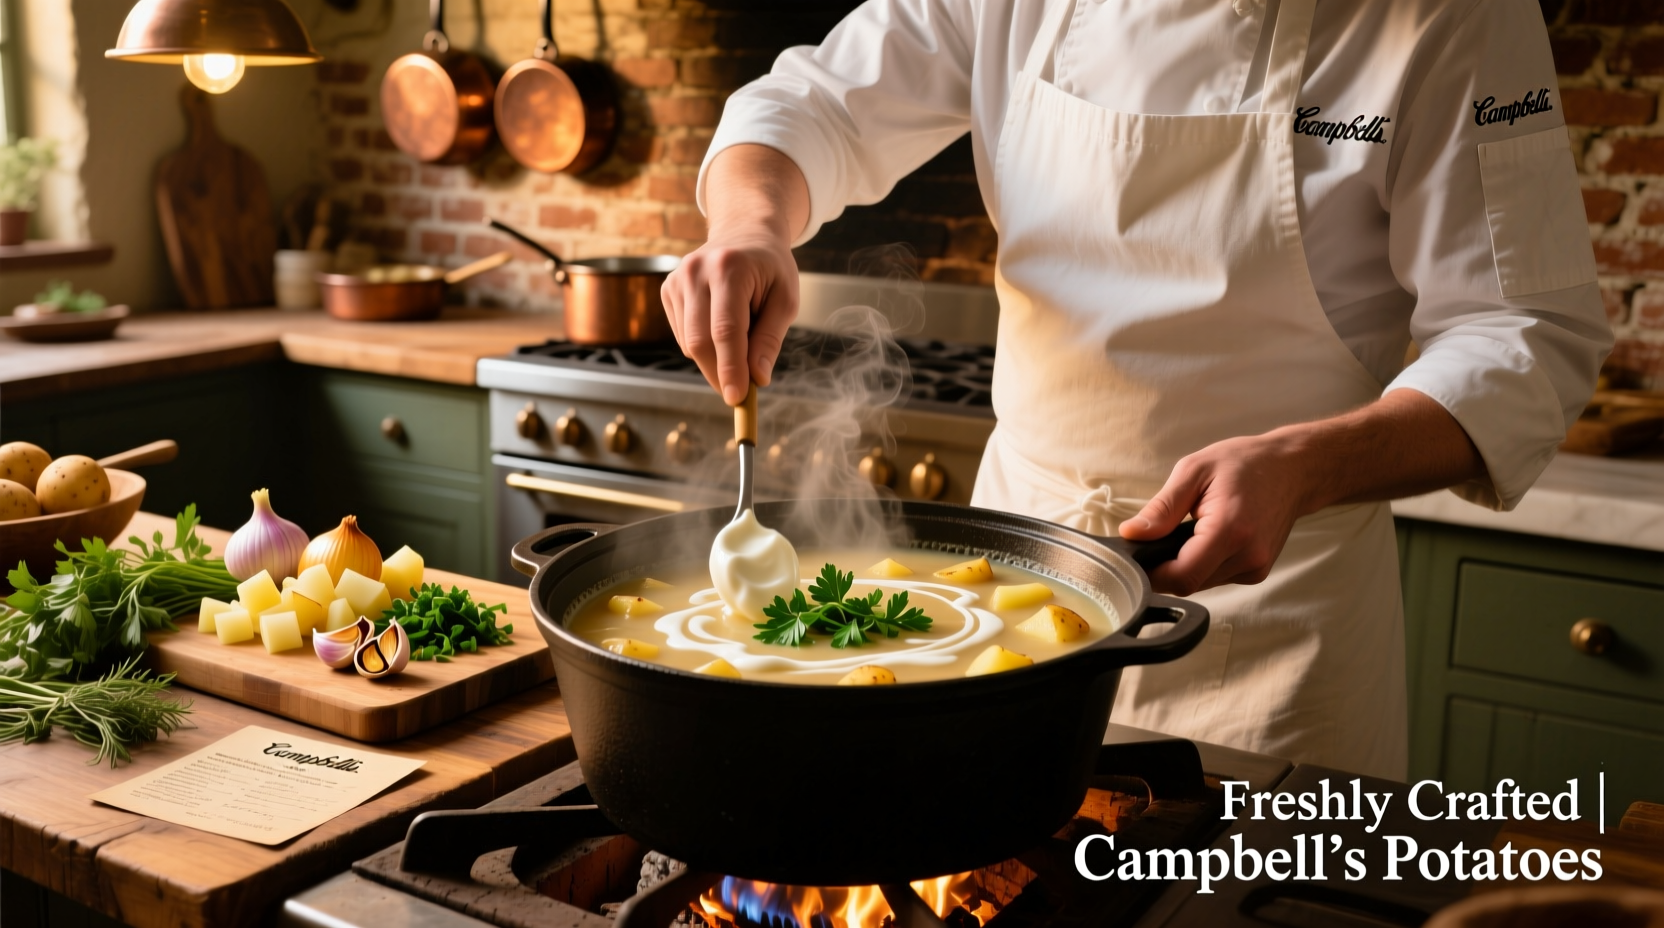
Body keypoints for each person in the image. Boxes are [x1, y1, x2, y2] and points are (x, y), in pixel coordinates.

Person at [659, 0, 1613, 778]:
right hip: (1008, 584)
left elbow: (1526, 334)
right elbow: (813, 101)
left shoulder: (1454, 17)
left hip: (1279, 612)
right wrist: (749, 225)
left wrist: (1309, 461)